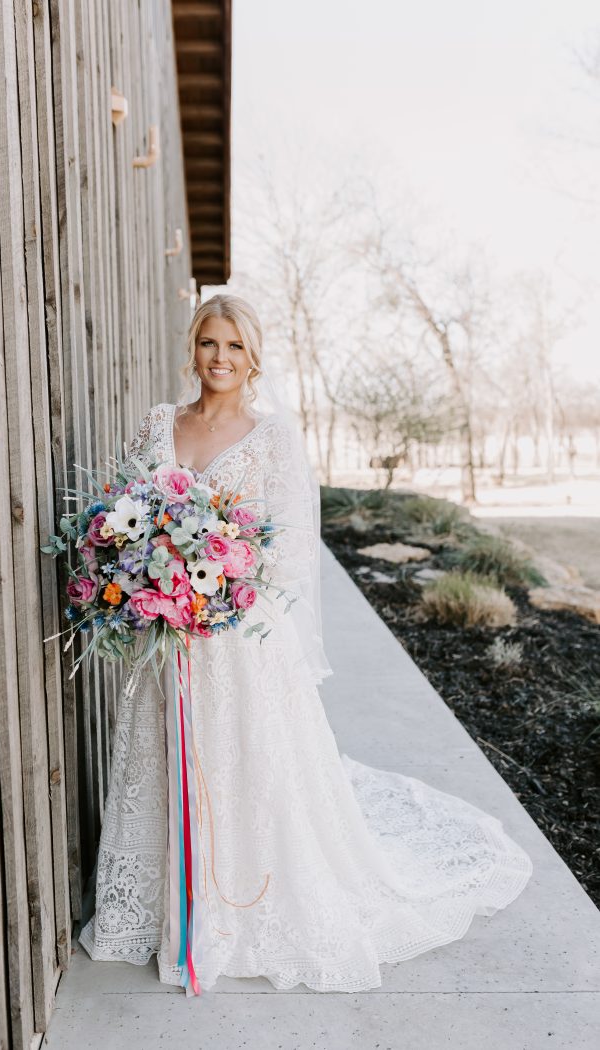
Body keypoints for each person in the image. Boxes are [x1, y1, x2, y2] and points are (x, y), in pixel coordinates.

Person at [78, 292, 533, 996]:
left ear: (252, 357)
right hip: (165, 639)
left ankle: (238, 901)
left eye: (233, 346)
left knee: (241, 769)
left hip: (237, 641)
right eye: (208, 344)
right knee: (164, 761)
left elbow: (287, 551)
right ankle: (164, 899)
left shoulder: (272, 437)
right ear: (192, 349)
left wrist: (216, 595)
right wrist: (142, 579)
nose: (220, 358)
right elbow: (125, 516)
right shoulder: (158, 425)